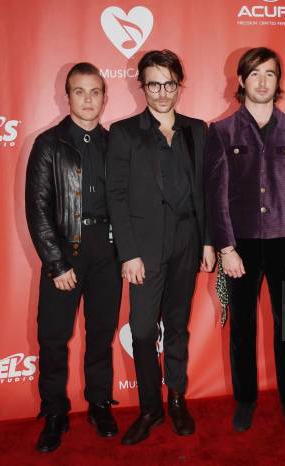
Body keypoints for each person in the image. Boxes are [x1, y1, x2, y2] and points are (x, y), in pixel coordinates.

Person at [204, 47, 285, 435]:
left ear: (278, 80)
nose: (263, 81)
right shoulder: (220, 132)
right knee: (243, 328)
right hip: (242, 246)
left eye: (270, 74)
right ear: (241, 81)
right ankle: (246, 400)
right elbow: (215, 195)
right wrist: (226, 249)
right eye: (254, 74)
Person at [106, 49, 215, 445]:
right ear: (142, 86)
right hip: (144, 248)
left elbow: (205, 191)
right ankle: (150, 407)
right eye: (154, 83)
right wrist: (129, 253)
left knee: (178, 325)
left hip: (188, 239)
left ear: (179, 84)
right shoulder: (123, 132)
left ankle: (178, 399)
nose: (162, 91)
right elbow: (116, 196)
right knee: (142, 328)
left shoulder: (197, 129)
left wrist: (208, 241)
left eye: (169, 82)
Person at [25, 62, 122, 452]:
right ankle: (53, 412)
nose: (87, 99)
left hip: (108, 253)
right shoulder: (48, 144)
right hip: (67, 250)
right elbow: (38, 208)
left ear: (104, 96)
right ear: (67, 96)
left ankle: (99, 403)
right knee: (53, 337)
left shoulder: (117, 142)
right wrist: (56, 262)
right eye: (79, 92)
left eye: (94, 92)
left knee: (101, 334)